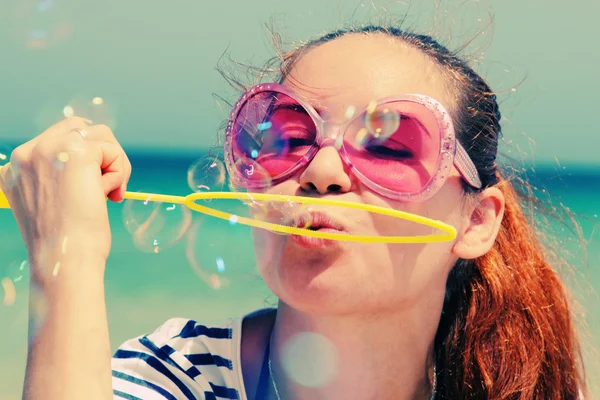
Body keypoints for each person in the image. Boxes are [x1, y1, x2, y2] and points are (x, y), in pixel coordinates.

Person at [1, 25, 587, 400]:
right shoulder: (173, 376)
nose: (321, 172)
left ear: (477, 221)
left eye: (386, 144)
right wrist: (66, 261)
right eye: (285, 134)